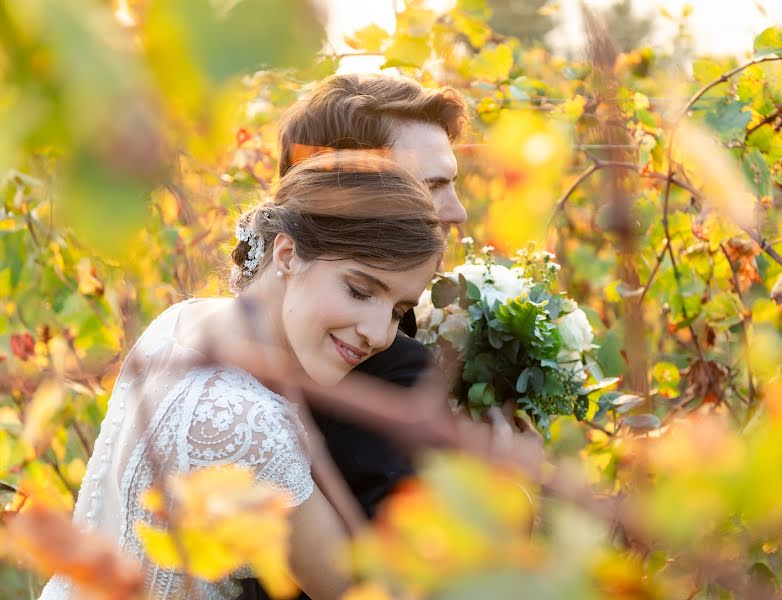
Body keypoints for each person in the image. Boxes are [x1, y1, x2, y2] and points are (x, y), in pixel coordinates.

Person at [37, 151, 447, 600]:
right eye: (360, 290)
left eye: (398, 311)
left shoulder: (178, 322)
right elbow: (358, 591)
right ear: (287, 253)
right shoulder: (249, 424)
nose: (378, 334)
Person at [238, 73, 541, 600]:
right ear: (352, 189)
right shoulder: (377, 367)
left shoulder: (229, 328)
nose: (457, 211)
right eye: (430, 187)